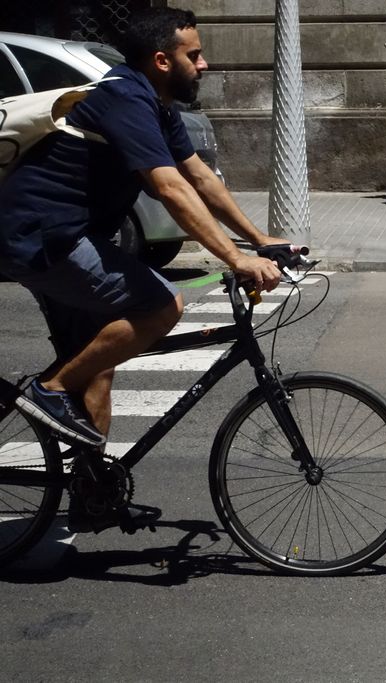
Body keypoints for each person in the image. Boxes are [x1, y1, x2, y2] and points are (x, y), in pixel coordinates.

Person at [0, 7, 284, 531]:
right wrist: (236, 259)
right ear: (161, 60)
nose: (205, 64)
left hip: (66, 237)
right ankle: (49, 391)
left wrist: (260, 238)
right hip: (44, 238)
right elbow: (170, 188)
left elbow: (198, 176)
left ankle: (91, 493)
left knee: (97, 364)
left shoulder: (158, 104)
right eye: (193, 54)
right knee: (161, 304)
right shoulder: (125, 97)